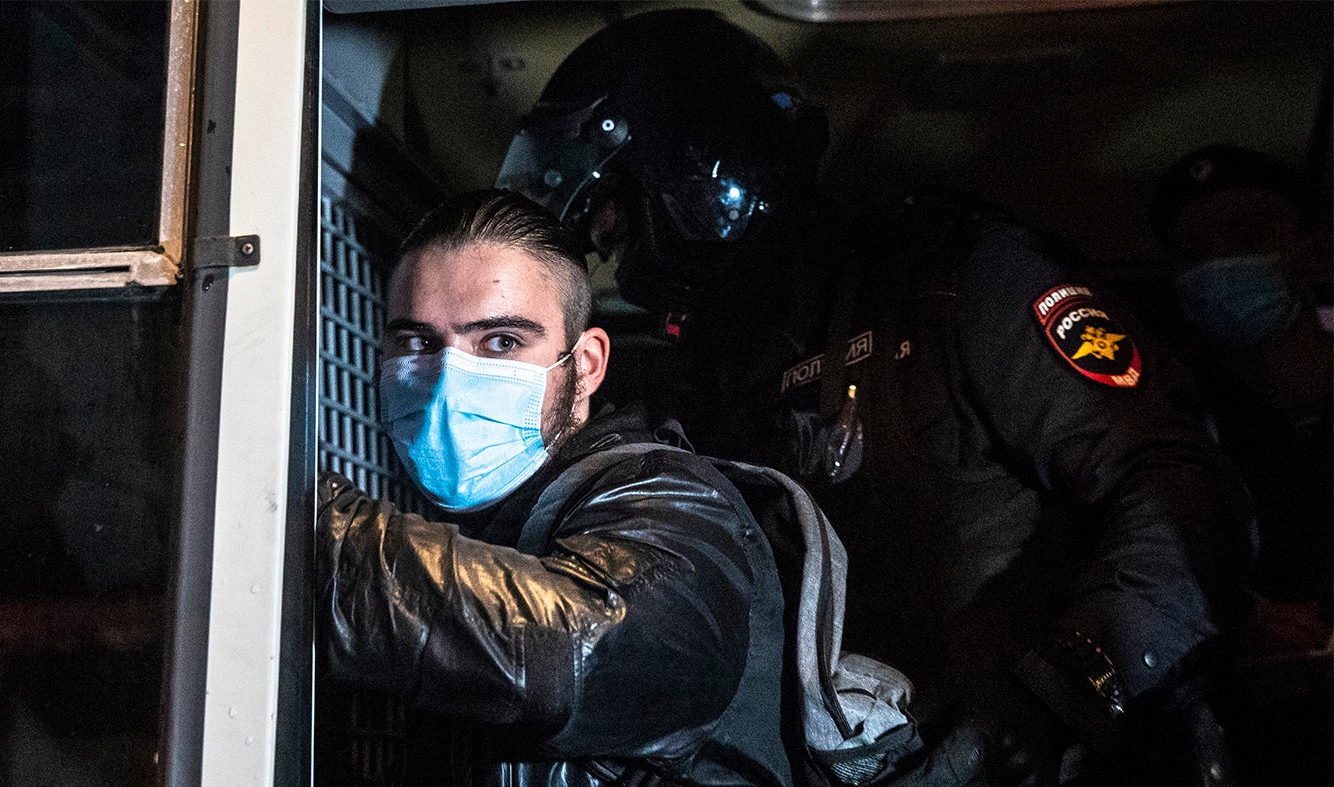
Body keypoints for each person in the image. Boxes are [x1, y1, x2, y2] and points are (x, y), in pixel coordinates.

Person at [498, 10, 1254, 784]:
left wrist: (1058, 693)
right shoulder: (705, 393)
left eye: (619, 230)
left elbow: (1178, 490)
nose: (621, 273)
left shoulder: (957, 282)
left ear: (697, 183)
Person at [316, 189, 793, 786]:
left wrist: (311, 538)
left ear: (586, 365)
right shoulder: (453, 537)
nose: (446, 379)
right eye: (417, 343)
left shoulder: (678, 503)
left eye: (501, 343)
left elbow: (578, 649)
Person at [1151, 144, 1333, 616]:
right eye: (1192, 254)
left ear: (1315, 251)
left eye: (1248, 236)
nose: (1218, 266)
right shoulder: (1177, 430)